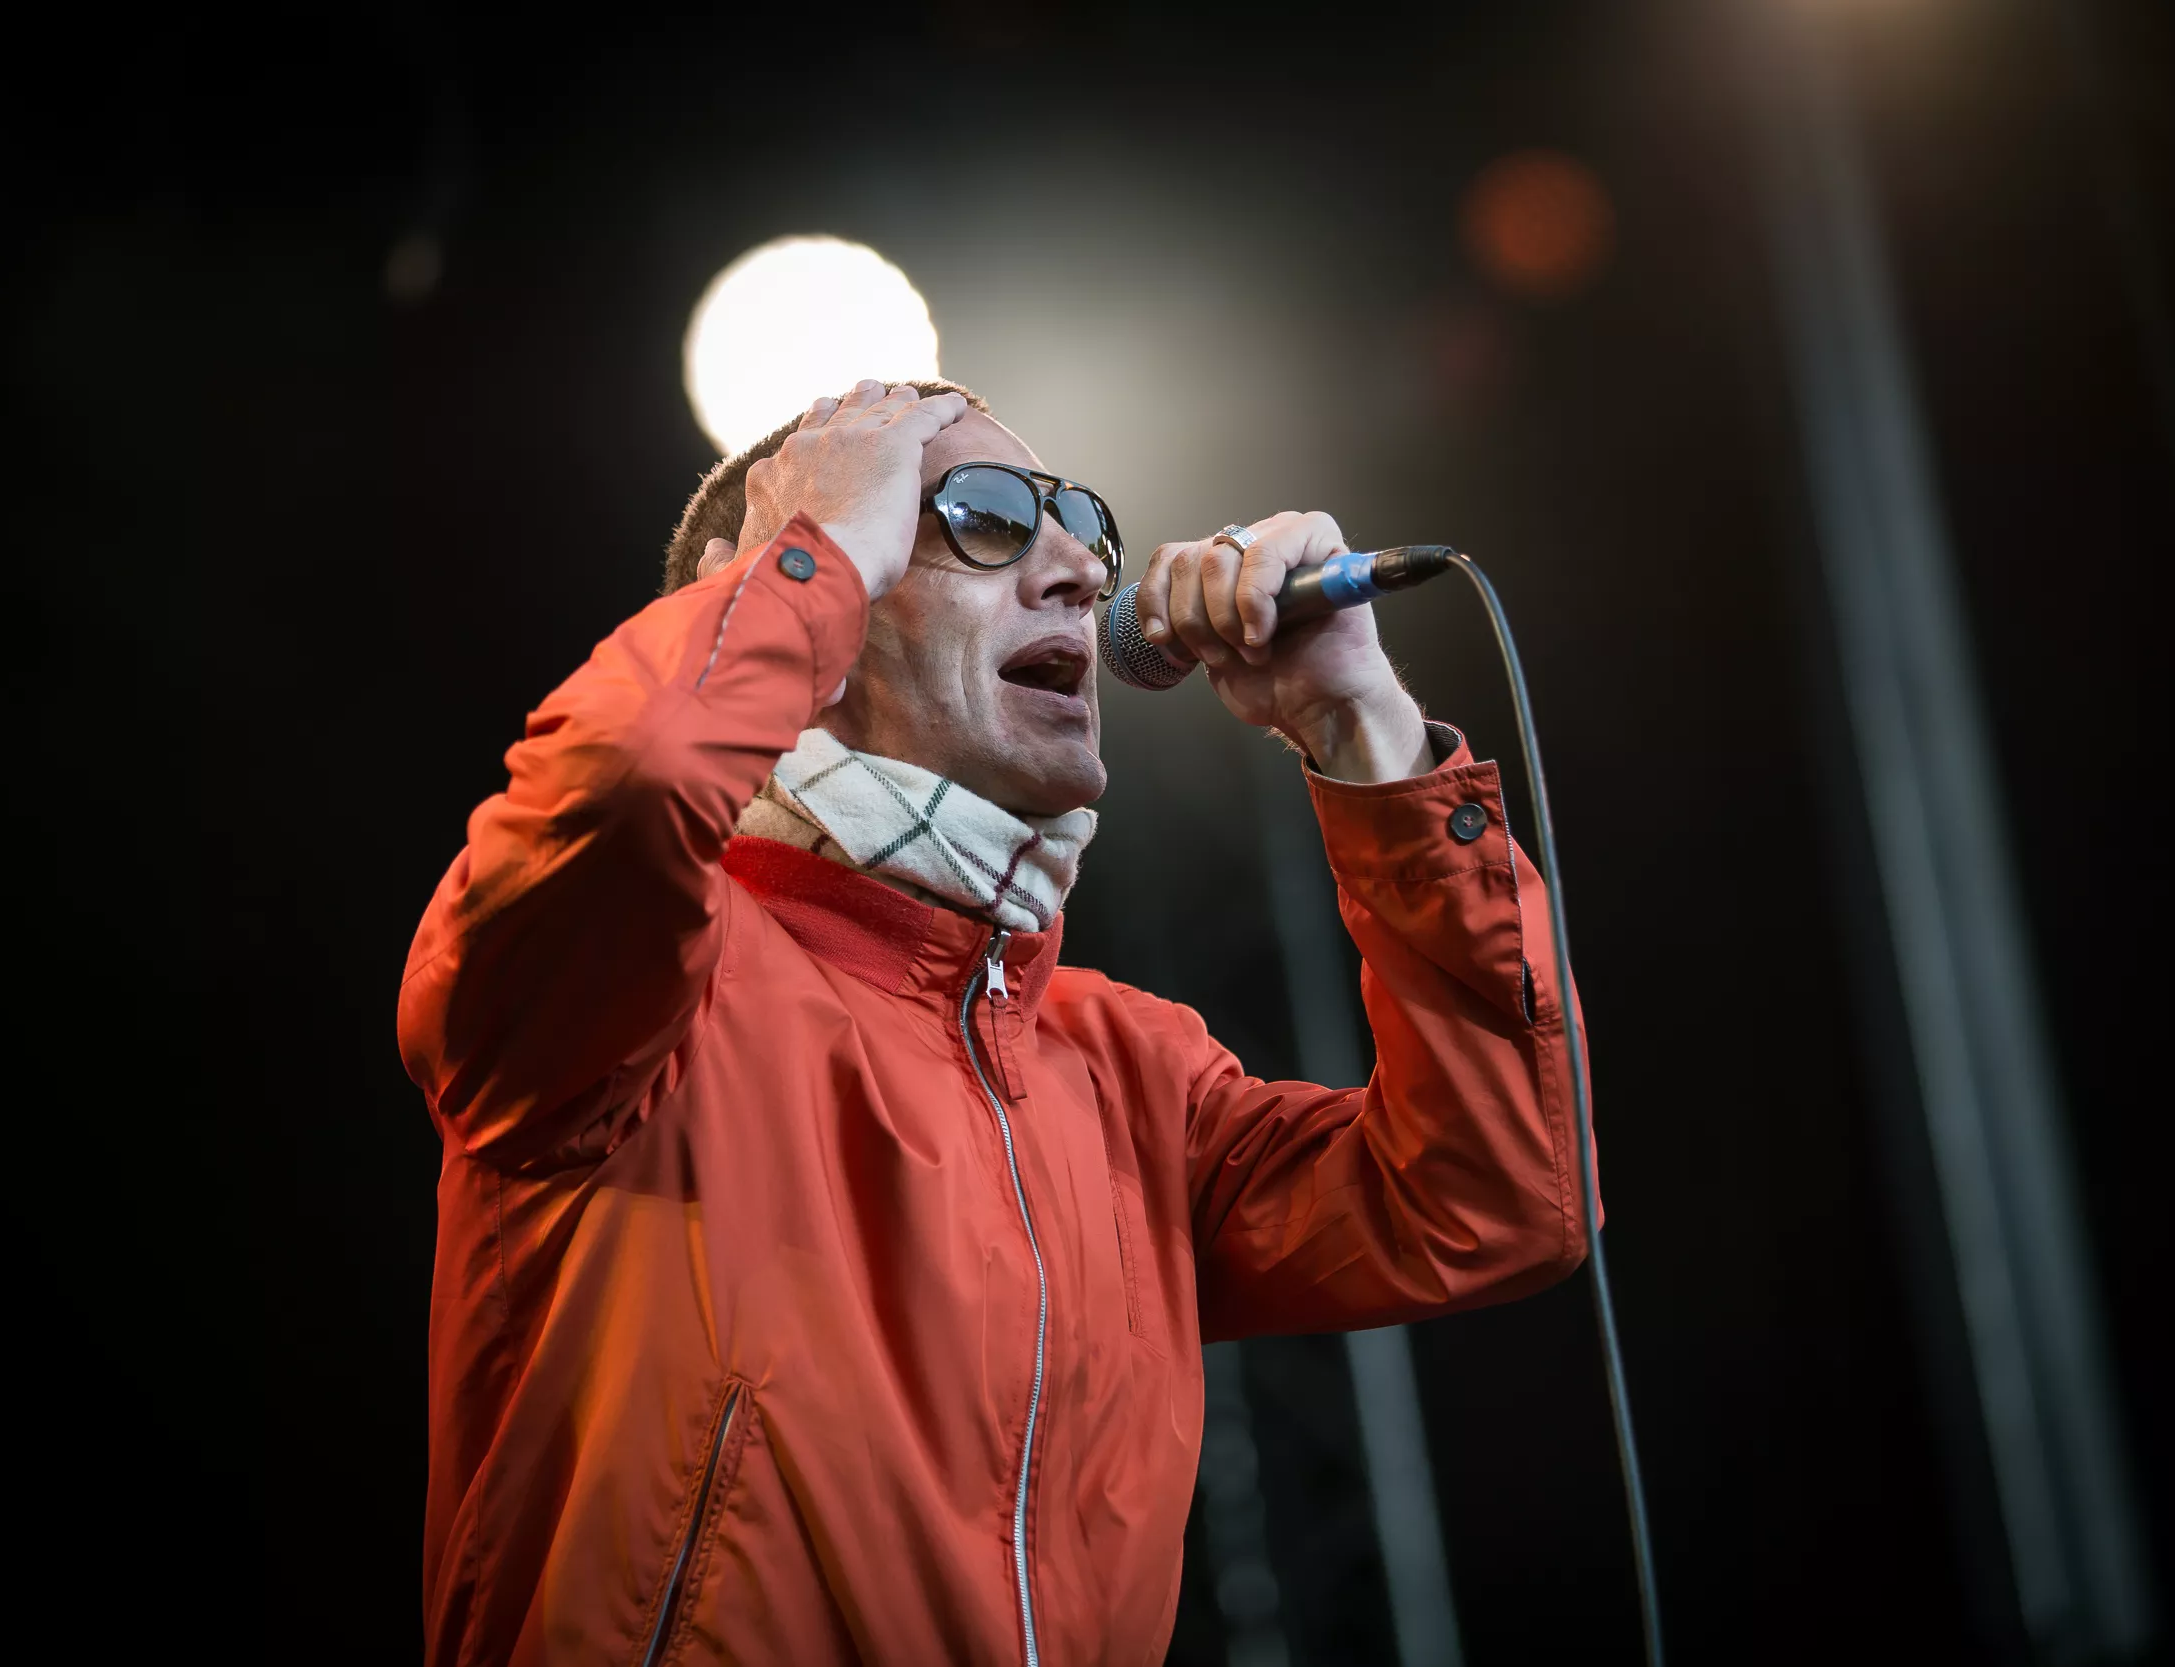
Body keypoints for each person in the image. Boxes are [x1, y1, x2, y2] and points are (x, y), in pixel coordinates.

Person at [400, 378, 1592, 1666]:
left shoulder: (1133, 1073)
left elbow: (1500, 1197)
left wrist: (1362, 722)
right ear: (795, 577)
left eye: (1081, 523)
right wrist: (802, 562)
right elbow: (628, 783)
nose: (1083, 571)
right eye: (982, 516)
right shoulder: (642, 986)